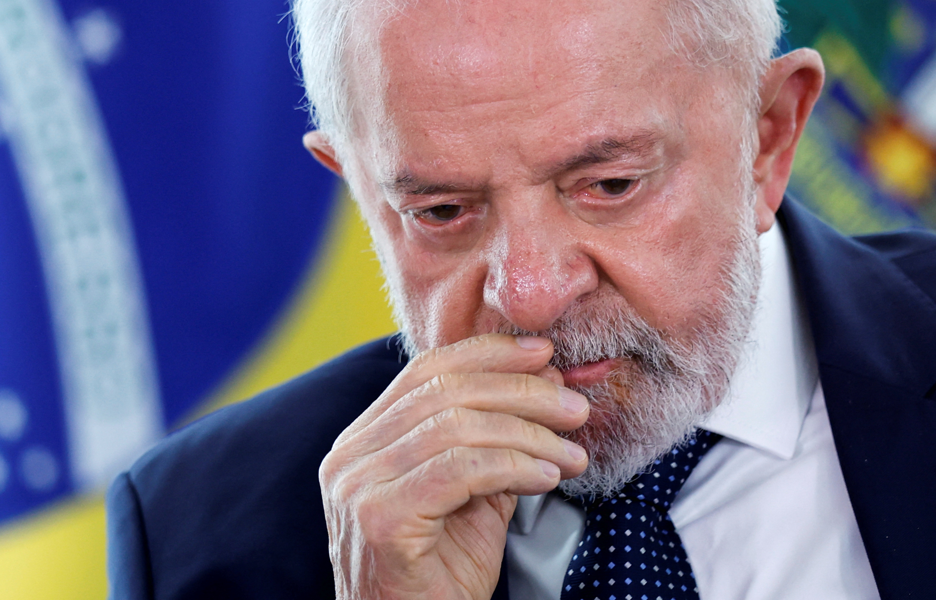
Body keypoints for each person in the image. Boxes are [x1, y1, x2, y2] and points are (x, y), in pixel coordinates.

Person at [106, 0, 936, 598]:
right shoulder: (192, 541)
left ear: (769, 136)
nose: (532, 296)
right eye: (441, 212)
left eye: (609, 184)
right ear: (359, 190)